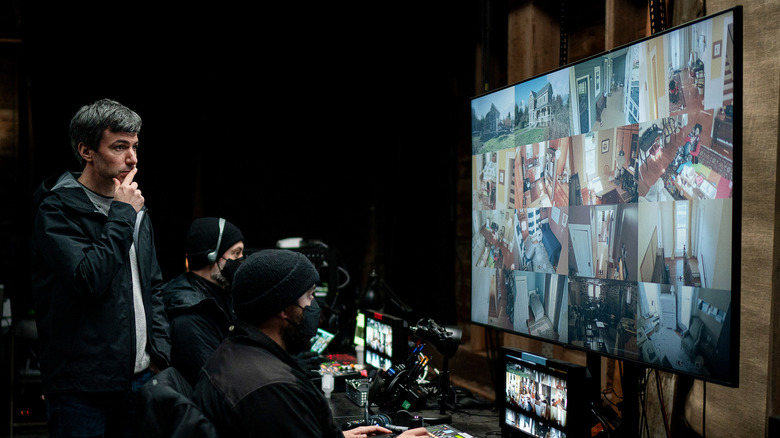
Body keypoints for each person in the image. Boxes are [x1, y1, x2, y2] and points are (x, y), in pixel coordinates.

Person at [30, 98, 171, 437]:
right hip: (83, 389)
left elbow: (153, 286)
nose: (133, 158)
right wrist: (122, 214)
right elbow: (88, 281)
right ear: (87, 151)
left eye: (135, 146)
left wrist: (159, 355)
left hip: (140, 378)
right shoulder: (57, 210)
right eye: (119, 146)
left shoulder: (134, 206)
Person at [192, 249, 428, 437]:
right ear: (284, 308)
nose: (315, 307)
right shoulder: (274, 390)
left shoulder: (232, 353)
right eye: (310, 295)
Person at [159, 217, 245, 385]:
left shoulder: (224, 295)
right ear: (211, 257)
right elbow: (217, 382)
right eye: (236, 253)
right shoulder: (189, 317)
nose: (242, 259)